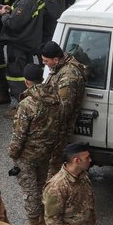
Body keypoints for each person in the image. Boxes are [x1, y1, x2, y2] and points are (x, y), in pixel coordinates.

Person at [9, 64, 63, 225]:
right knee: (42, 185)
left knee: (30, 189)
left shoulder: (27, 104)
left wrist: (13, 152)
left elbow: (19, 134)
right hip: (46, 151)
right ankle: (43, 222)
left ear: (26, 82)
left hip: (28, 154)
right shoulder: (55, 99)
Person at [0, 0, 44, 105]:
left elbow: (13, 24)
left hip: (19, 42)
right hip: (28, 40)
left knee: (15, 74)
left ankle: (20, 104)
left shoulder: (25, 1)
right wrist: (11, 9)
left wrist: (4, 14)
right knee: (25, 71)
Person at [42, 41, 88, 172]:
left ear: (56, 59)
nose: (44, 64)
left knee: (54, 164)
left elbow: (63, 110)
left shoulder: (68, 77)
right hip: (56, 126)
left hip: (59, 128)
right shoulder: (60, 67)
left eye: (46, 61)